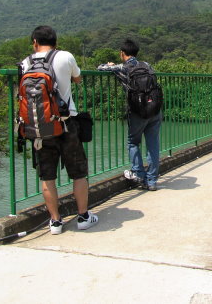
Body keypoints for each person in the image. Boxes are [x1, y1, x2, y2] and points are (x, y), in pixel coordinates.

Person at [21, 25, 98, 235]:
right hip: (66, 122)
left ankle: (55, 222)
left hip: (39, 126)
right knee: (79, 173)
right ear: (55, 41)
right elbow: (78, 79)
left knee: (47, 176)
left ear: (35, 42)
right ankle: (83, 217)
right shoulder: (65, 56)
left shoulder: (26, 63)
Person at [97, 39, 161, 191]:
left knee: (133, 142)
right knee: (153, 144)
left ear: (122, 53)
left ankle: (139, 175)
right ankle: (152, 181)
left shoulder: (123, 68)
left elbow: (100, 68)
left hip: (138, 111)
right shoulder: (147, 65)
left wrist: (110, 65)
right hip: (155, 109)